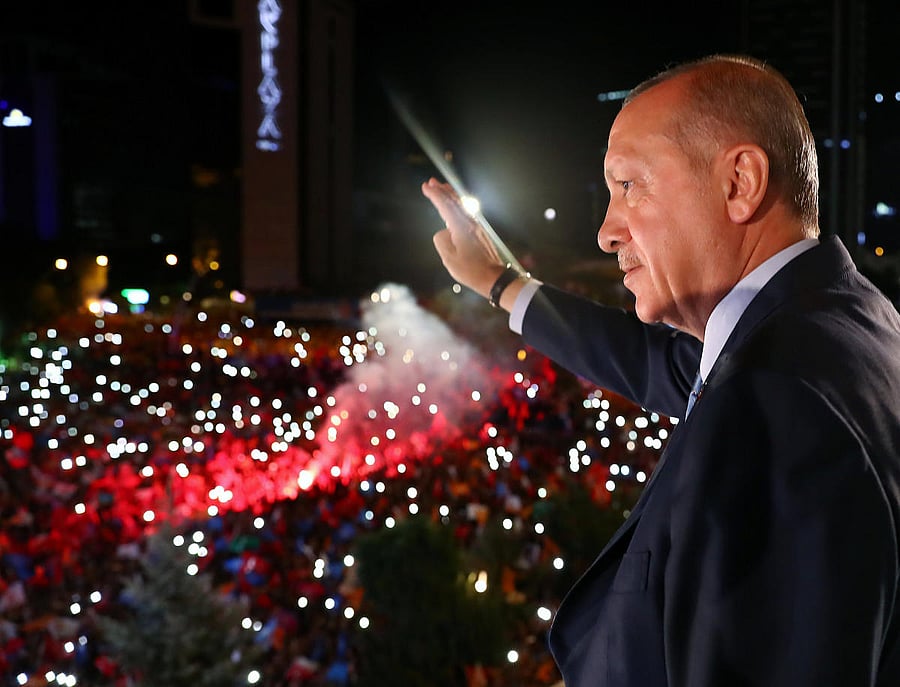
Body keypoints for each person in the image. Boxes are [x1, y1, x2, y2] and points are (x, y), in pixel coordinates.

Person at [421, 54, 900, 686]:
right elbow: (660, 365)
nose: (604, 232)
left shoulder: (775, 403)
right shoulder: (829, 323)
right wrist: (500, 283)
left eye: (629, 186)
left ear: (739, 183)